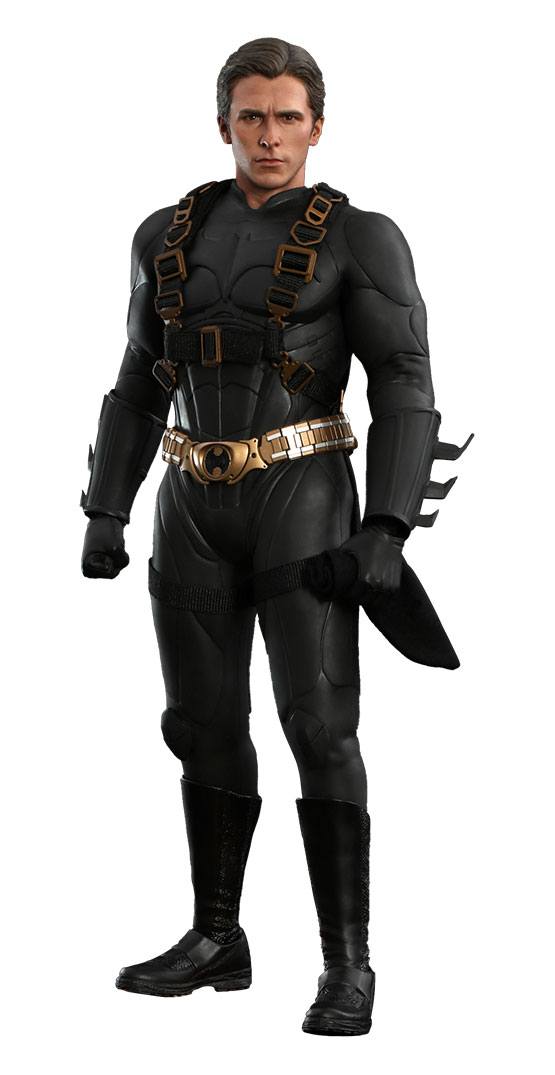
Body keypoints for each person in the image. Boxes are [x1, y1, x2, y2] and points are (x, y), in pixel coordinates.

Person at [81, 37, 469, 1036]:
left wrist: (386, 525)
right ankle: (217, 937)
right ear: (223, 123)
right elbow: (138, 379)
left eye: (287, 116)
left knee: (319, 728)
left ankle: (348, 964)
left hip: (305, 496)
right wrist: (107, 507)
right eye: (251, 116)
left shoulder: (361, 238)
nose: (268, 135)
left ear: (317, 126)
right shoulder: (164, 235)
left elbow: (405, 380)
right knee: (199, 726)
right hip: (190, 503)